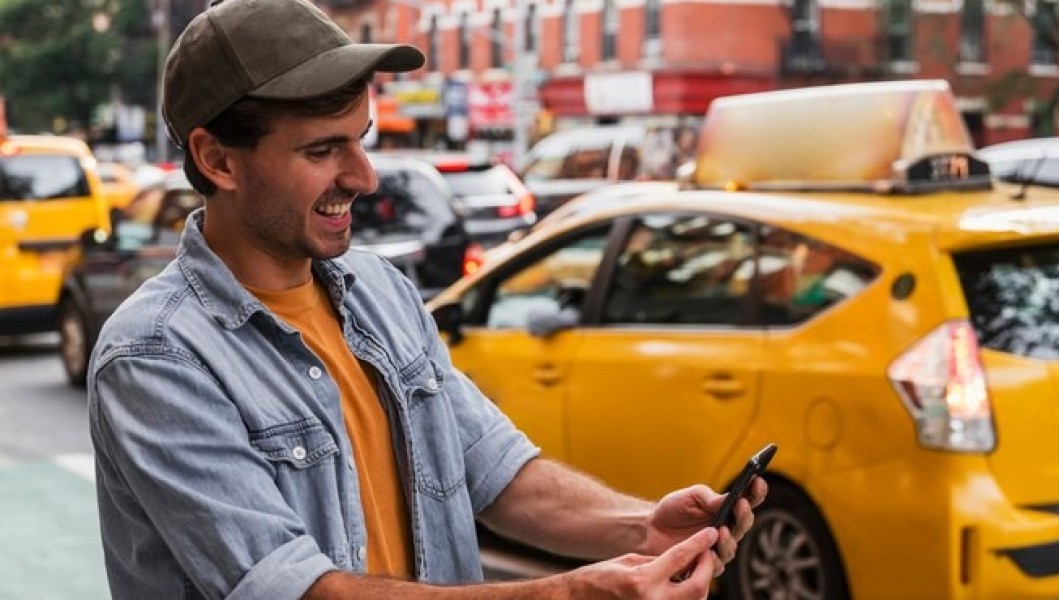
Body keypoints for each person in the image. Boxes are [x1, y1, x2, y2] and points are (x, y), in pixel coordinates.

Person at [88, 1, 767, 599]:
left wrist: (641, 526)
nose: (363, 175)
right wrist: (570, 596)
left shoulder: (379, 290)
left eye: (362, 138)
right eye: (323, 149)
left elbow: (497, 471)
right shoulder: (154, 356)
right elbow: (297, 589)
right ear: (218, 161)